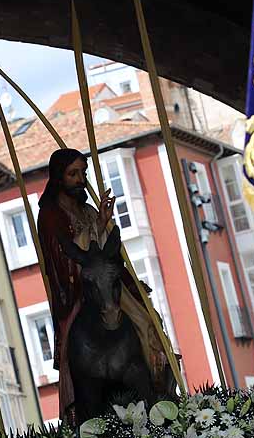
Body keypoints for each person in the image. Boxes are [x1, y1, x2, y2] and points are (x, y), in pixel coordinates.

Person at [36, 148, 173, 422]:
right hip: (80, 287)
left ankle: (159, 375)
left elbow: (108, 249)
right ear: (59, 177)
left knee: (147, 320)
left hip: (106, 280)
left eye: (83, 173)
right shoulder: (51, 214)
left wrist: (102, 222)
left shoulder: (87, 209)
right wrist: (96, 229)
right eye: (73, 174)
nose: (80, 179)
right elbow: (62, 256)